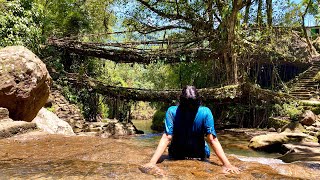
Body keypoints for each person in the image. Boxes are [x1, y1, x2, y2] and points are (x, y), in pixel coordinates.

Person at [142, 85, 240, 174]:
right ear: (198, 101)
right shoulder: (206, 112)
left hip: (177, 154)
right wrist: (227, 164)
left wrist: (152, 162)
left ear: (180, 101)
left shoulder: (172, 111)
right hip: (200, 154)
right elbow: (212, 140)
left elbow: (167, 137)